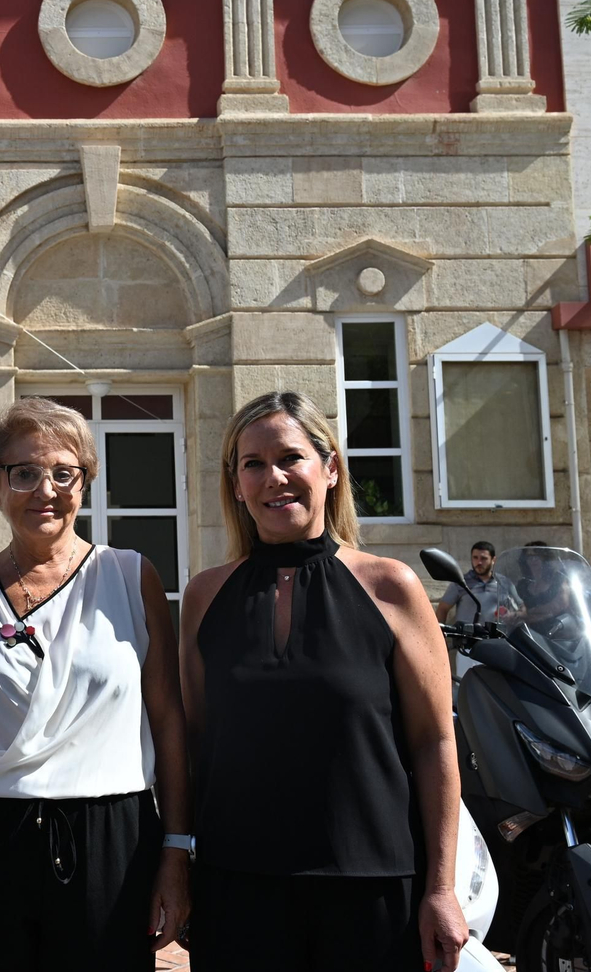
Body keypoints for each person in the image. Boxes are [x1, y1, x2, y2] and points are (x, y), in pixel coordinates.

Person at [177, 391, 468, 971]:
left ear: (330, 468)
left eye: (291, 458)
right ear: (235, 485)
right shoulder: (204, 596)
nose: (274, 478)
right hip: (238, 889)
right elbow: (194, 745)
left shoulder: (392, 587)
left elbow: (434, 743)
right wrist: (179, 862)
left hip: (374, 890)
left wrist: (441, 888)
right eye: (252, 464)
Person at [0, 398, 189, 972]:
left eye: (65, 473)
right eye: (25, 472)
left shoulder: (132, 576)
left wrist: (177, 850)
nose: (46, 489)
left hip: (111, 841)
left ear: (84, 483)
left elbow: (167, 722)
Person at [434, 541, 522, 623]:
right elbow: (442, 609)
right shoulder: (461, 582)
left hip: (495, 637)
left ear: (493, 560)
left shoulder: (504, 582)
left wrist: (512, 615)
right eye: (475, 558)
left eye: (484, 558)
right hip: (467, 637)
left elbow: (522, 608)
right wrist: (439, 636)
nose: (479, 562)